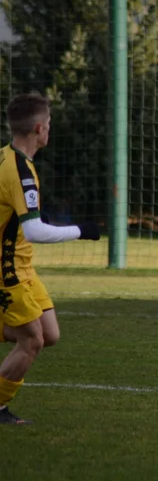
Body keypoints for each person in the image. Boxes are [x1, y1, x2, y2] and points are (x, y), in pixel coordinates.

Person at [0, 93, 101, 425]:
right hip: (8, 270)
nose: (50, 131)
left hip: (23, 267)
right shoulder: (21, 172)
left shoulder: (7, 157)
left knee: (50, 333)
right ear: (39, 128)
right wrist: (81, 231)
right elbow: (34, 231)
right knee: (32, 340)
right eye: (50, 125)